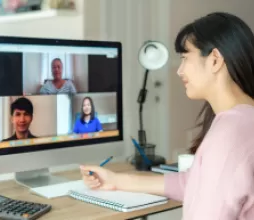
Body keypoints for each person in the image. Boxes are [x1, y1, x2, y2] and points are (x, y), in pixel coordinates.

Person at [80, 12, 254, 220]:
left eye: (185, 58)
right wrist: (116, 180)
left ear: (215, 60)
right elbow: (192, 183)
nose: (180, 70)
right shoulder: (244, 120)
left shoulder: (228, 136)